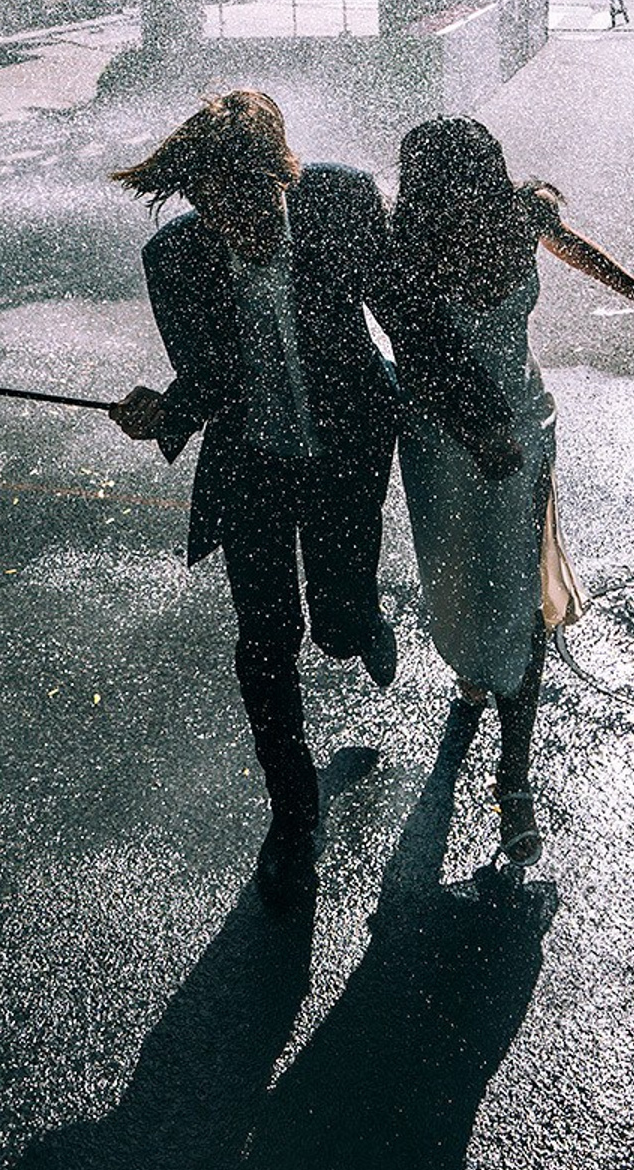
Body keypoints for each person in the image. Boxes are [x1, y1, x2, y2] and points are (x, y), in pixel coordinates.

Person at [109, 92, 511, 908]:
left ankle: (362, 621)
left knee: (332, 627)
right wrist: (165, 409)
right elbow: (212, 374)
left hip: (346, 451)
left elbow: (409, 321)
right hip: (250, 464)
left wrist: (479, 418)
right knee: (265, 638)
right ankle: (292, 818)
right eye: (211, 208)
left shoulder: (341, 201)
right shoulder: (175, 260)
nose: (234, 225)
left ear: (281, 175)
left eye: (248, 201)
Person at [388, 117, 634, 867]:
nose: (473, 194)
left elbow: (571, 247)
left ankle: (514, 773)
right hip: (439, 445)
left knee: (520, 591)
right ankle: (473, 672)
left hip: (523, 433)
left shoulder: (521, 213)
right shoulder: (403, 246)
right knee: (459, 579)